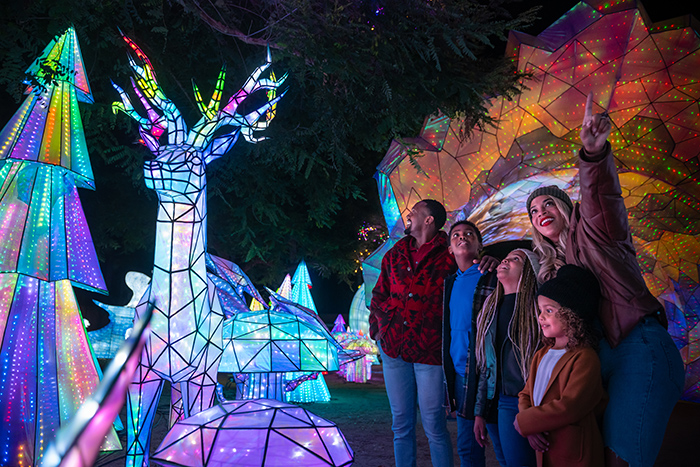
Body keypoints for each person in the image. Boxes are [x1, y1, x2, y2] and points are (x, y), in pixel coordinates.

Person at [525, 92, 684, 467]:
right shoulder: (549, 270)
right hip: (594, 361)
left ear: (565, 207)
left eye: (548, 203)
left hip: (638, 348)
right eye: (533, 210)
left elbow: (602, 196)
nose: (541, 211)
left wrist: (594, 156)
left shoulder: (597, 231)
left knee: (620, 460)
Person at [369, 199, 497, 467]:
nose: (409, 215)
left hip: (430, 352)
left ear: (428, 220)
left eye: (414, 211)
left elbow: (470, 267)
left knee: (434, 426)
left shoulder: (449, 252)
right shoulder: (395, 254)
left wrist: (489, 259)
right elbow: (379, 294)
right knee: (400, 424)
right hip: (394, 349)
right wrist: (379, 329)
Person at [516, 264, 606, 467]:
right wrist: (530, 425)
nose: (540, 317)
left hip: (573, 453)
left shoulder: (585, 358)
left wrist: (526, 422)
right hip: (544, 448)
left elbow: (570, 407)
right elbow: (525, 394)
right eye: (540, 310)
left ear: (571, 316)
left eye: (549, 310)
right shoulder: (541, 354)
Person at [472, 248, 542, 467]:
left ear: (529, 271)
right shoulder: (490, 308)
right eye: (506, 257)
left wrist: (533, 415)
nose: (506, 260)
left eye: (515, 259)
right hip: (498, 401)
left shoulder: (538, 309)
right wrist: (480, 412)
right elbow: (487, 365)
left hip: (525, 401)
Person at [442, 220, 501, 467]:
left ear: (480, 244)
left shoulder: (493, 276)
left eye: (469, 234)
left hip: (489, 374)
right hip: (461, 374)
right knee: (467, 448)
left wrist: (498, 262)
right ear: (450, 250)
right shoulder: (450, 282)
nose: (462, 237)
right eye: (456, 235)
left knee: (502, 446)